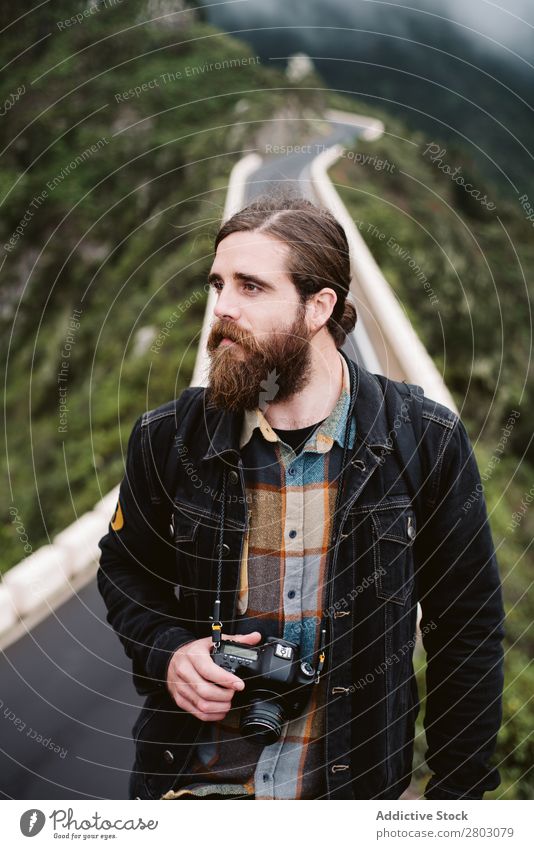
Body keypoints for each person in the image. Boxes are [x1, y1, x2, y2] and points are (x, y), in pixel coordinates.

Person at [97, 194, 505, 800]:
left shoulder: (425, 440)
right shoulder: (166, 440)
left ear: (319, 307)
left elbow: (466, 630)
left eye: (251, 287)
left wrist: (456, 808)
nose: (222, 308)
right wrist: (170, 652)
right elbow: (125, 570)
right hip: (189, 795)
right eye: (218, 284)